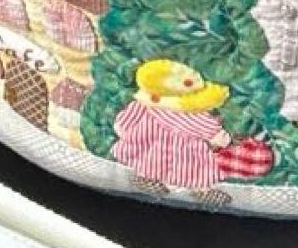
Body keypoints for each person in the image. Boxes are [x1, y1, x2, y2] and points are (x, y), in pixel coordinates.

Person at [111, 58, 273, 189]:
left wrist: (133, 136)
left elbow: (122, 125)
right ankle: (198, 190)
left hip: (146, 151)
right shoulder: (191, 114)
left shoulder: (141, 105)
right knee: (191, 171)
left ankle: (149, 179)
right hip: (184, 155)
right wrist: (222, 139)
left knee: (147, 164)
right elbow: (211, 131)